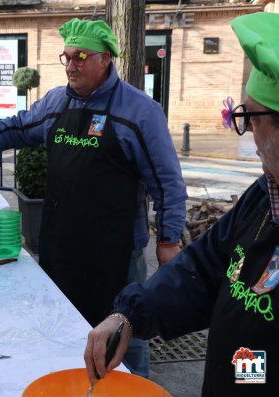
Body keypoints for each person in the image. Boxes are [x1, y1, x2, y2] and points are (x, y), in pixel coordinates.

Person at [0, 18, 187, 378]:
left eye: (81, 56)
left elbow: (167, 182)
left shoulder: (140, 111)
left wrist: (169, 240)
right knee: (63, 330)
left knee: (125, 335)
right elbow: (19, 126)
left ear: (105, 59)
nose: (72, 65)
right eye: (66, 57)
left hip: (116, 253)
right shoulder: (57, 102)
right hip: (62, 245)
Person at [84, 12, 279, 396]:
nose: (248, 132)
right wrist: (130, 314)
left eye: (250, 118)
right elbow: (205, 267)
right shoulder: (265, 193)